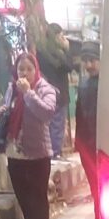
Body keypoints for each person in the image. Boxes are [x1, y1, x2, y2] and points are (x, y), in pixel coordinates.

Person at [2, 52, 56, 219]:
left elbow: (46, 112)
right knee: (23, 196)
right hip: (15, 151)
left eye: (28, 69)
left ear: (36, 70)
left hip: (38, 153)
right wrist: (3, 112)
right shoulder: (11, 89)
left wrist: (28, 93)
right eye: (20, 69)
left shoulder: (45, 89)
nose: (24, 73)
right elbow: (8, 109)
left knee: (37, 197)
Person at [74, 40, 100, 219]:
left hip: (105, 146)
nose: (89, 65)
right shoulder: (83, 84)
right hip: (88, 147)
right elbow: (80, 115)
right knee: (96, 191)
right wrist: (80, 144)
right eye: (86, 61)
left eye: (92, 60)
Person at [36, 23, 71, 159]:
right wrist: (67, 49)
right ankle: (54, 154)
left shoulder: (41, 51)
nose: (63, 39)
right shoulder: (59, 53)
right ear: (56, 36)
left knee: (49, 126)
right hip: (59, 93)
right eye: (61, 36)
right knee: (57, 125)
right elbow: (70, 66)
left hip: (46, 93)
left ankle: (49, 154)